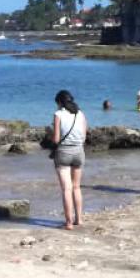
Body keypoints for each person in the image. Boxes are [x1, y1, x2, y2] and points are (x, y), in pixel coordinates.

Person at [51, 90, 87, 230]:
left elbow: (56, 139)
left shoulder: (58, 115)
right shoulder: (81, 114)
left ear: (59, 102)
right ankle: (79, 219)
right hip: (79, 151)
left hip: (64, 152)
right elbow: (84, 136)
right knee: (77, 187)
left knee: (67, 189)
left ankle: (68, 222)